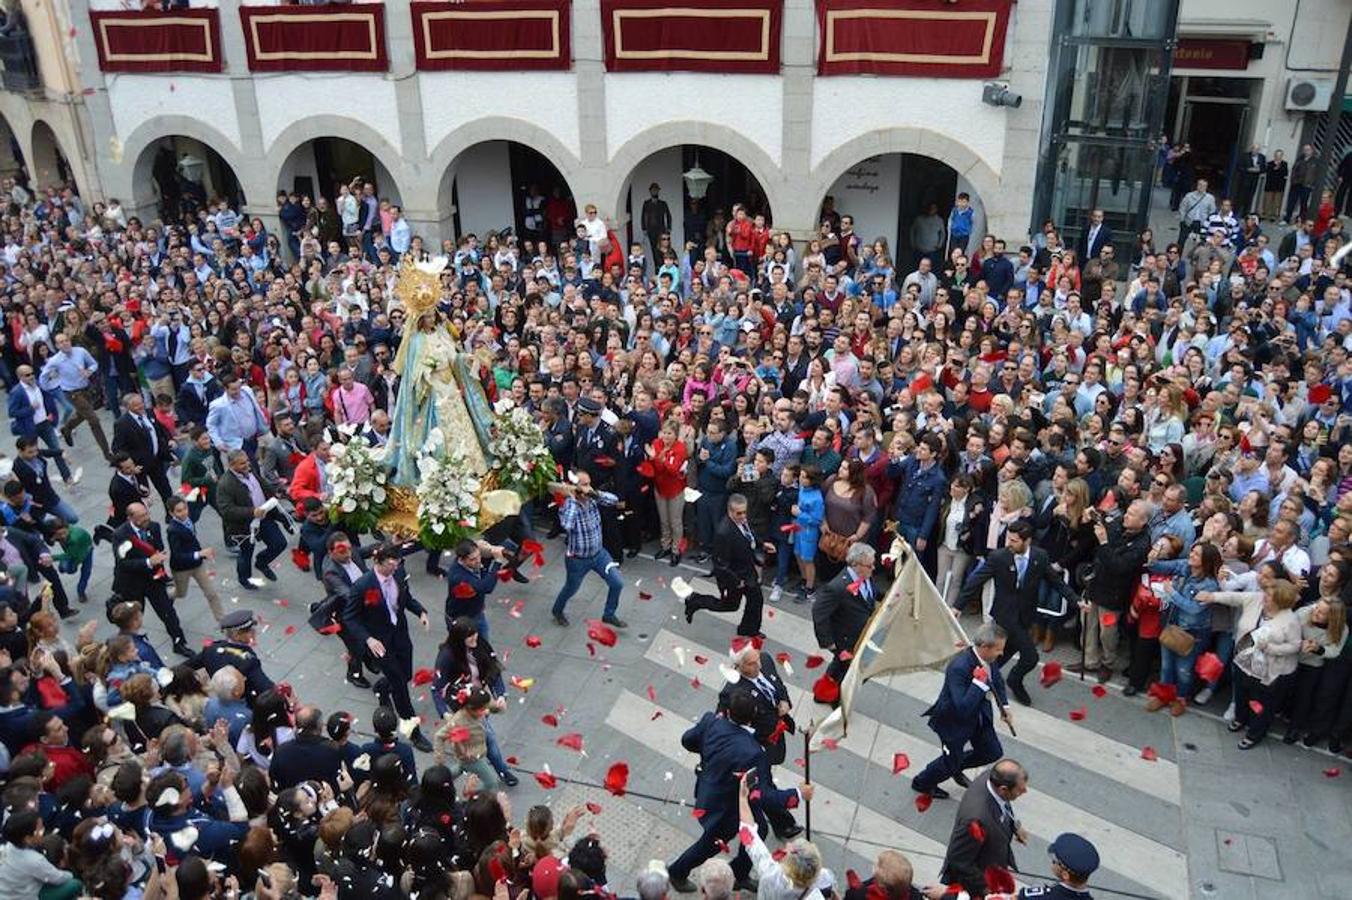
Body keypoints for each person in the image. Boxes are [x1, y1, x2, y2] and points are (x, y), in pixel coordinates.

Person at [666, 691, 811, 894]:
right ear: (752, 718)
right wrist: (797, 793)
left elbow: (688, 740)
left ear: (728, 711)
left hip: (714, 789)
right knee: (712, 843)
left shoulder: (711, 721)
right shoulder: (752, 752)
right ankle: (677, 871)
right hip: (725, 807)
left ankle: (739, 874)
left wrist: (711, 756)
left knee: (760, 829)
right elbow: (765, 795)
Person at [958, 520, 1077, 706]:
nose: (1009, 544)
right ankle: (1014, 680)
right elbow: (976, 580)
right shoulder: (999, 557)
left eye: (1014, 541)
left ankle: (979, 679)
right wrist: (958, 606)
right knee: (1031, 657)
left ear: (1027, 541)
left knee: (1001, 654)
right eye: (1009, 539)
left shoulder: (1040, 557)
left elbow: (1056, 582)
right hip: (1005, 616)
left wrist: (1075, 601)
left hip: (1025, 616)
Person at [341, 542, 435, 753]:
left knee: (406, 674)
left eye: (397, 564)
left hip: (400, 635)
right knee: (401, 688)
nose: (394, 569)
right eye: (390, 565)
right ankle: (414, 732)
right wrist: (368, 639)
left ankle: (382, 688)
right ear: (377, 562)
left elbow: (406, 599)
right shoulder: (363, 586)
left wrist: (420, 611)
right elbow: (350, 617)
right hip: (380, 643)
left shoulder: (399, 575)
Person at [911, 624, 1012, 800]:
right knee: (950, 760)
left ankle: (956, 766)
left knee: (992, 752)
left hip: (980, 718)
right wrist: (978, 684)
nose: (1001, 654)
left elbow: (997, 680)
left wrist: (1004, 706)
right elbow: (962, 708)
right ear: (984, 647)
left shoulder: (989, 660)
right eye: (998, 649)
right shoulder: (959, 667)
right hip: (953, 722)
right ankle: (923, 782)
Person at [716, 642, 800, 838]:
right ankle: (783, 823)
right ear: (739, 666)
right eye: (752, 664)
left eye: (757, 660)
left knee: (763, 785)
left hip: (775, 735)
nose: (759, 666)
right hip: (758, 746)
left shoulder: (766, 660)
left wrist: (785, 701)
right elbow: (724, 723)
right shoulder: (732, 692)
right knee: (764, 786)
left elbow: (778, 683)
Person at [933, 760, 1028, 899]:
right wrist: (986, 889)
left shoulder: (992, 777)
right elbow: (959, 860)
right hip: (975, 880)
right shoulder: (975, 819)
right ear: (1003, 789)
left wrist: (1014, 826)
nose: (1025, 791)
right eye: (1020, 789)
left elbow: (1003, 804)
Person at [548, 471, 627, 630]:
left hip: (599, 555)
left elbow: (614, 500)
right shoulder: (568, 506)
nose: (588, 488)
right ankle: (557, 611)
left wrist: (594, 493)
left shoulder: (592, 500)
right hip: (577, 560)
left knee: (617, 583)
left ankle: (609, 615)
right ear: (575, 488)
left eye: (589, 483)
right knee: (571, 588)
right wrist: (571, 499)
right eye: (584, 485)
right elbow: (567, 525)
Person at [112, 501, 191, 658]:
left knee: (168, 612)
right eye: (142, 516)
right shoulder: (121, 534)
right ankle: (129, 648)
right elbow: (123, 562)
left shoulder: (153, 527)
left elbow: (158, 547)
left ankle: (179, 642)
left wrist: (158, 559)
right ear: (130, 518)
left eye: (147, 514)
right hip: (131, 583)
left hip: (153, 580)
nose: (146, 518)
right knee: (132, 619)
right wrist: (148, 562)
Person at [811, 543, 879, 696]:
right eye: (870, 565)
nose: (873, 568)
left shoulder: (866, 577)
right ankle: (838, 700)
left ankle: (825, 693)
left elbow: (871, 595)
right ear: (856, 564)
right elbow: (819, 613)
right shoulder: (837, 587)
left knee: (841, 669)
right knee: (849, 671)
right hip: (845, 642)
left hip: (861, 637)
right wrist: (829, 643)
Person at [215, 449, 289, 589]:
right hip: (244, 525)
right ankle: (245, 579)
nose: (247, 465)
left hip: (264, 517)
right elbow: (226, 510)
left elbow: (262, 485)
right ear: (232, 465)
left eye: (247, 461)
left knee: (279, 543)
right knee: (246, 553)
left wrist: (275, 493)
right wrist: (252, 512)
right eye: (242, 463)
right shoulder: (225, 484)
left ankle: (261, 562)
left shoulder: (250, 470)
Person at [191, 608, 275, 703]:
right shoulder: (248, 661)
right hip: (242, 703)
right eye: (248, 630)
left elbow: (185, 668)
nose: (253, 632)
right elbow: (267, 688)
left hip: (219, 697)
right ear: (236, 635)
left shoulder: (211, 648)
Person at [165, 496, 224, 623]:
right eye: (179, 511)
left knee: (212, 594)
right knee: (181, 593)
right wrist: (199, 553)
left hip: (197, 565)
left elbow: (192, 539)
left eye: (185, 508)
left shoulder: (188, 520)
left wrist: (202, 554)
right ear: (171, 513)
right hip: (181, 569)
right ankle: (167, 596)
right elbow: (177, 555)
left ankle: (223, 623)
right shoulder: (173, 530)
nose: (184, 512)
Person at [111, 392, 176, 504]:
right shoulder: (122, 424)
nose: (141, 406)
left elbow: (160, 428)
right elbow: (117, 448)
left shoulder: (149, 412)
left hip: (156, 460)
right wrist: (130, 466)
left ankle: (171, 514)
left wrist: (169, 438)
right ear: (128, 407)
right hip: (139, 466)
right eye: (136, 405)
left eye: (141, 403)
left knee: (166, 489)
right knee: (142, 495)